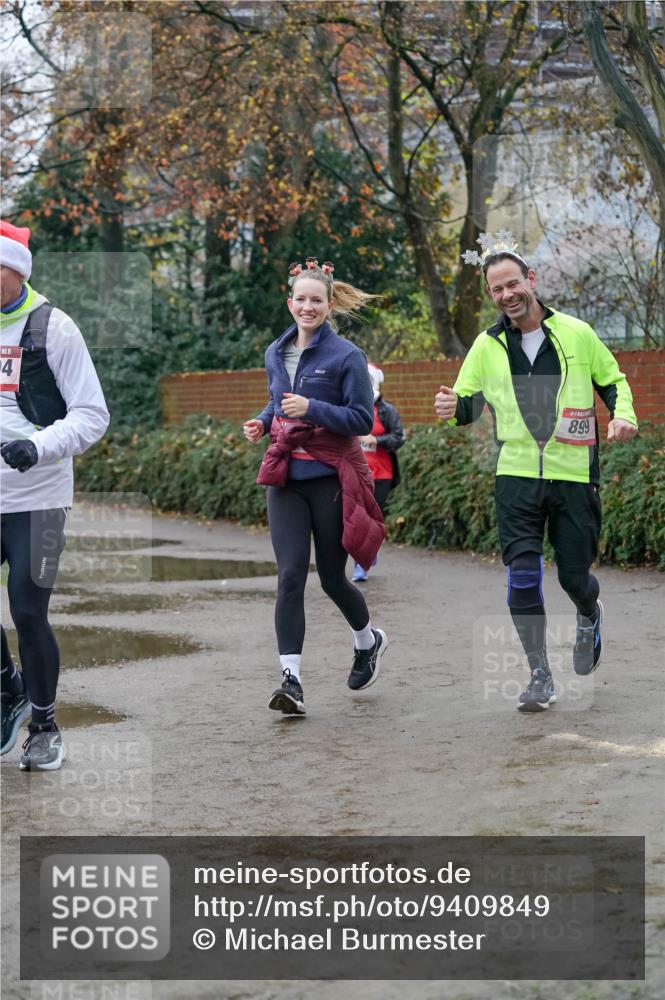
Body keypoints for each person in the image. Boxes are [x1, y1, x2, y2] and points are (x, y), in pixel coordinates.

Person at [435, 231, 638, 713]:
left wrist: (623, 415)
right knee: (522, 579)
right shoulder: (487, 347)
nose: (506, 295)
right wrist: (452, 406)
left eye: (512, 284)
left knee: (573, 578)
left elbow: (613, 382)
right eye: (495, 290)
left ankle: (589, 612)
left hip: (573, 475)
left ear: (530, 279)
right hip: (517, 477)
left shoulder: (576, 333)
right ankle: (539, 674)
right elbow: (468, 404)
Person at [244, 257, 388, 716]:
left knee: (329, 578)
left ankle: (368, 641)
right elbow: (275, 403)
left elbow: (361, 420)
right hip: (285, 478)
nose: (308, 307)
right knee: (289, 576)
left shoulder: (347, 356)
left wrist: (313, 408)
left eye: (316, 300)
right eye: (301, 299)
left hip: (329, 478)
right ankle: (292, 680)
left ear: (329, 306)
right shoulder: (274, 352)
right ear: (291, 304)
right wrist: (262, 422)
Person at [0, 220, 109, 767]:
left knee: (27, 609)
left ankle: (44, 724)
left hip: (37, 497)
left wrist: (37, 448)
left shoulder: (53, 327)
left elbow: (93, 415)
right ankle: (8, 690)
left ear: (15, 271)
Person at [352, 362, 406, 582]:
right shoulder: (350, 408)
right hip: (355, 474)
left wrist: (377, 440)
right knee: (357, 520)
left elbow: (399, 437)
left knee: (373, 519)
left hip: (382, 475)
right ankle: (361, 562)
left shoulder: (387, 410)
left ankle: (368, 553)